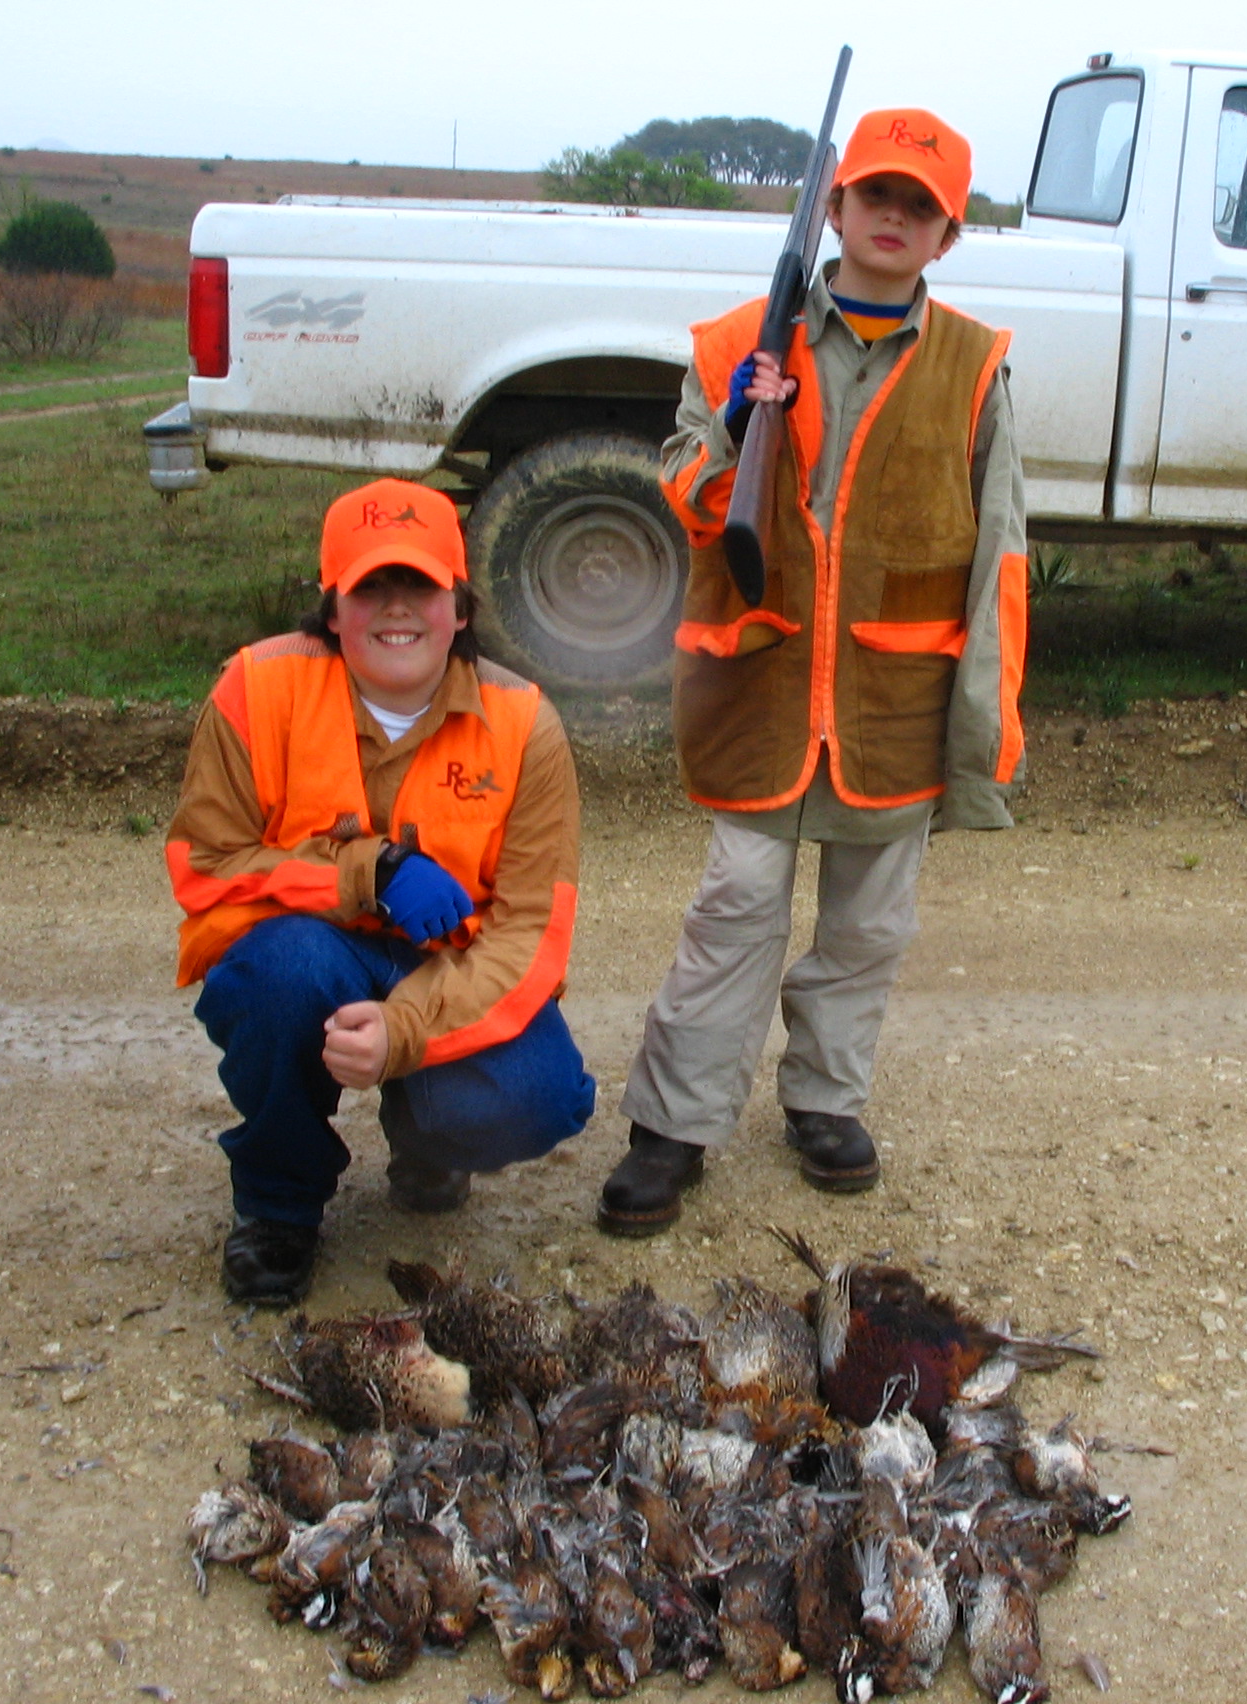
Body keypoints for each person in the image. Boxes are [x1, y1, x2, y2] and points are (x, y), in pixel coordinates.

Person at [598, 108, 1027, 1237]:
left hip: (894, 703)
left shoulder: (977, 367)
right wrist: (738, 420)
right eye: (874, 194)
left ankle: (824, 1102)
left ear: (946, 238)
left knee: (867, 927)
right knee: (735, 902)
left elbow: (1001, 561)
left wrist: (982, 740)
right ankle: (674, 1126)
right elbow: (686, 498)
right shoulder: (738, 339)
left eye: (918, 206)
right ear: (833, 209)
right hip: (762, 690)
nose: (892, 217)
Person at [168, 478, 594, 1303]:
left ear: (460, 608)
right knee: (275, 980)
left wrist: (402, 1034)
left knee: (543, 1096)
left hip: (443, 974)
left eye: (420, 586)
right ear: (332, 609)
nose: (396, 608)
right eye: (370, 587)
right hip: (312, 945)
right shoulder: (254, 690)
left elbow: (529, 935)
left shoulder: (526, 724)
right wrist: (372, 872)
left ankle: (427, 1132)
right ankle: (278, 1207)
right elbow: (205, 867)